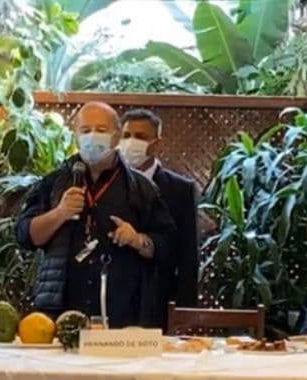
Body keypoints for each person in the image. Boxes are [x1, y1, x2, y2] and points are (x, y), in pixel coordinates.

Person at [15, 101, 176, 328]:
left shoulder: (141, 188)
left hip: (122, 313)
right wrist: (59, 213)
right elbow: (25, 236)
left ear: (116, 136)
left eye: (101, 130)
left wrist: (138, 240)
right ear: (75, 136)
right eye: (85, 130)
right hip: (59, 311)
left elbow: (167, 244)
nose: (92, 137)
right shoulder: (53, 183)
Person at [119, 108, 200, 329]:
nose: (131, 142)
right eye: (126, 135)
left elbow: (188, 255)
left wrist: (186, 313)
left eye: (140, 136)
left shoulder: (180, 189)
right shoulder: (110, 184)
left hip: (159, 299)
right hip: (116, 299)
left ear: (156, 143)